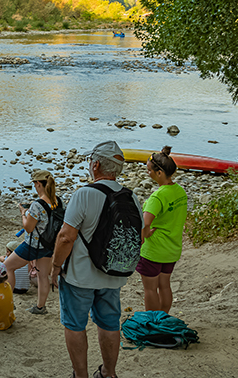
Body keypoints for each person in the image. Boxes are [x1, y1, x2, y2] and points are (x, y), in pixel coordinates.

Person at [50, 141, 143, 378]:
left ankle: (80, 375)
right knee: (109, 324)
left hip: (80, 276)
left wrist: (55, 267)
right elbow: (137, 237)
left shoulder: (84, 194)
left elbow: (65, 237)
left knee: (74, 325)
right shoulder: (133, 198)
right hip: (113, 274)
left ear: (96, 164)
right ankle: (108, 373)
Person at [138, 146, 187, 313]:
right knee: (165, 286)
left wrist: (143, 236)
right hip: (172, 249)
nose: (147, 173)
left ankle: (152, 322)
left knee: (150, 289)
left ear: (159, 172)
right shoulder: (180, 192)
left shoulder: (157, 197)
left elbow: (145, 223)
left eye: (149, 170)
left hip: (154, 250)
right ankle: (164, 317)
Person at [4, 169, 59, 314]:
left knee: (7, 267)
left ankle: (9, 303)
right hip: (49, 244)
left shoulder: (37, 205)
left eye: (35, 183)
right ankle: (40, 307)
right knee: (42, 276)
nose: (34, 186)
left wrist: (23, 214)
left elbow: (28, 228)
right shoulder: (57, 201)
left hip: (33, 245)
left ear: (39, 184)